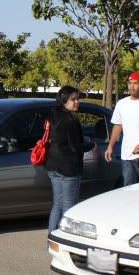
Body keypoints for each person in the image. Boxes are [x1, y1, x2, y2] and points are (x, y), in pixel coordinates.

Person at [45, 86, 92, 231]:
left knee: (57, 204)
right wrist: (91, 145)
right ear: (64, 100)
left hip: (52, 165)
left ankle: (52, 236)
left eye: (78, 99)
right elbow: (75, 147)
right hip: (69, 168)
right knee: (69, 205)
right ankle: (65, 239)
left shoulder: (53, 115)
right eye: (73, 99)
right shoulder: (70, 120)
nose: (77, 102)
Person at [104, 72, 139, 186]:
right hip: (126, 156)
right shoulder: (121, 104)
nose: (131, 86)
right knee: (128, 189)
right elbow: (117, 126)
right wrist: (110, 146)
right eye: (130, 83)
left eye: (135, 83)